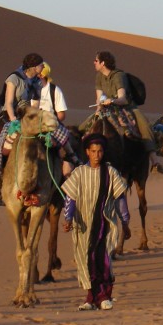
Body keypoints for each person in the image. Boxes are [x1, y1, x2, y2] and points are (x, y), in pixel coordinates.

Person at [62, 133, 131, 311]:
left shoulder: (110, 173)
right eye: (93, 151)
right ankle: (90, 298)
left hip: (105, 224)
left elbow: (120, 198)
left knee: (103, 259)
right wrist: (68, 218)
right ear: (87, 152)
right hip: (83, 225)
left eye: (100, 151)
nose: (97, 155)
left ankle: (105, 296)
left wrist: (125, 222)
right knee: (85, 260)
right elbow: (70, 197)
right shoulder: (78, 173)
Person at [87, 50, 163, 173]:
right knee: (86, 128)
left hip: (127, 107)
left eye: (96, 60)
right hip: (107, 109)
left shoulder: (118, 76)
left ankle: (154, 161)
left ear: (103, 63)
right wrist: (99, 109)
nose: (94, 63)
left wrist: (112, 100)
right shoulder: (99, 77)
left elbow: (122, 99)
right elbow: (99, 98)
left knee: (144, 126)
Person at [0, 53, 45, 204]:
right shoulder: (14, 79)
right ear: (33, 66)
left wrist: (32, 117)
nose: (43, 67)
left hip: (27, 115)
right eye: (41, 64)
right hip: (10, 116)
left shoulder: (37, 81)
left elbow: (35, 103)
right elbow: (9, 102)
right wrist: (13, 122)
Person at [35, 62, 81, 173]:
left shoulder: (54, 90)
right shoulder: (30, 89)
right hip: (34, 124)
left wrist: (50, 121)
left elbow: (61, 114)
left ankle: (71, 163)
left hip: (51, 125)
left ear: (41, 75)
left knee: (64, 143)